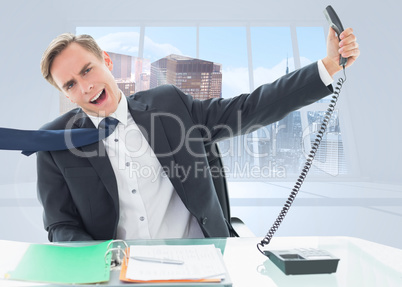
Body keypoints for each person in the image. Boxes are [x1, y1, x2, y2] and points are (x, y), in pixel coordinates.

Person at [37, 27, 360, 242]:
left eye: (87, 70)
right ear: (66, 95)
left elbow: (249, 109)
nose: (85, 86)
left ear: (106, 61)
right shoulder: (53, 143)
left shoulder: (169, 104)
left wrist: (328, 67)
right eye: (70, 84)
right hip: (118, 274)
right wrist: (103, 259)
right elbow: (60, 226)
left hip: (202, 264)